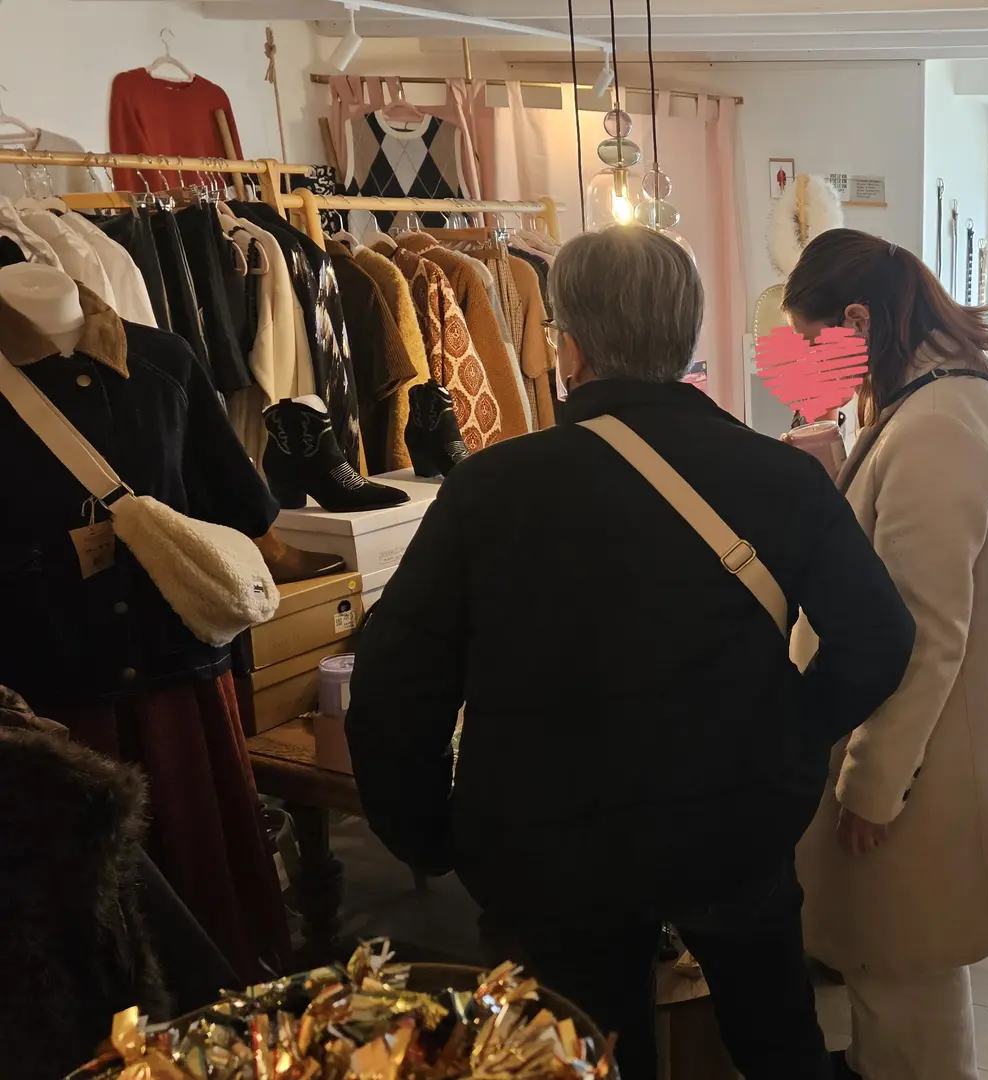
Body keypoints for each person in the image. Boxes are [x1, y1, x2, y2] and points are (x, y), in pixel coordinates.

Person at [346, 226, 917, 1079]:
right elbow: (881, 637)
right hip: (732, 822)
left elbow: (394, 689)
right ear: (685, 340)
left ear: (569, 347)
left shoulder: (489, 489)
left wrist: (430, 835)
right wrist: (790, 737)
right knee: (777, 1041)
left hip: (545, 844)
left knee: (587, 1056)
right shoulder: (782, 478)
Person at [783, 228, 988, 1079]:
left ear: (859, 319)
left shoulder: (936, 427)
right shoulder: (947, 396)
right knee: (906, 978)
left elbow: (923, 633)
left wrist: (872, 784)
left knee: (902, 990)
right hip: (939, 752)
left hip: (922, 767)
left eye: (816, 342)